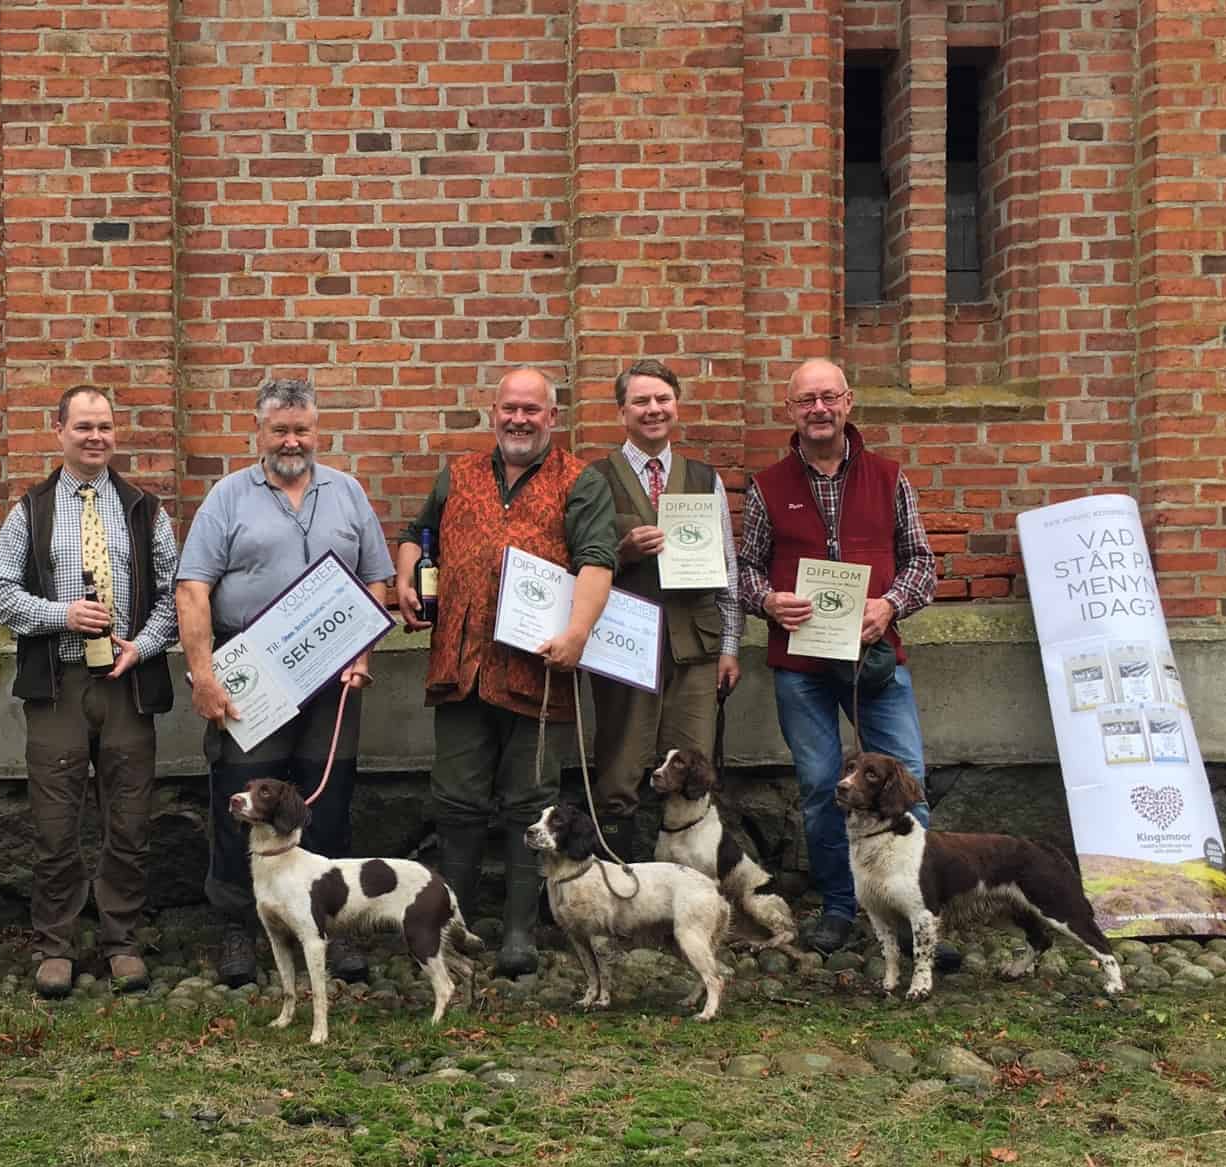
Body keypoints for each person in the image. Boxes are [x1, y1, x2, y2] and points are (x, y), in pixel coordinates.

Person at [393, 367, 617, 976]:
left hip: (537, 670)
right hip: (460, 669)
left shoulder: (582, 482)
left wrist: (577, 633)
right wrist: (407, 573)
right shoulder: (458, 473)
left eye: (532, 410)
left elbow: (599, 562)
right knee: (456, 803)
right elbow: (418, 533)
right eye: (510, 409)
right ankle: (454, 926)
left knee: (531, 804)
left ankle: (519, 931)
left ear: (552, 416)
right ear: (493, 411)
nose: (519, 420)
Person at [178, 377, 394, 988]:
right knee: (241, 804)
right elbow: (193, 589)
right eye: (280, 430)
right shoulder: (227, 498)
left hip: (332, 681)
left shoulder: (348, 493)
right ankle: (238, 930)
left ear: (317, 432)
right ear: (260, 432)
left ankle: (333, 924)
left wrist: (363, 653)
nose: (292, 440)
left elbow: (376, 580)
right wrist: (202, 674)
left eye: (302, 429)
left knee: (327, 803)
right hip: (250, 678)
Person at [735, 359, 951, 963]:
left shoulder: (889, 477)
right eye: (806, 401)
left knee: (907, 779)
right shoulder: (767, 486)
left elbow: (921, 564)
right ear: (790, 410)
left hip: (875, 660)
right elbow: (743, 570)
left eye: (829, 397)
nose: (819, 410)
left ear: (849, 402)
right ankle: (838, 905)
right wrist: (767, 601)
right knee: (819, 787)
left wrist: (889, 606)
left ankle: (918, 910)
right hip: (799, 666)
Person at [0, 385, 179, 997]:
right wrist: (60, 615)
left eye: (106, 428)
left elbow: (177, 594)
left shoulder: (146, 509)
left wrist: (141, 647)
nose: (96, 438)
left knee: (129, 817)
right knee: (55, 820)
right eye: (83, 427)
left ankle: (121, 939)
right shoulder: (31, 511)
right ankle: (56, 945)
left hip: (127, 683)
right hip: (59, 684)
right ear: (59, 431)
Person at [586, 359, 742, 858]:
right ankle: (622, 883)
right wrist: (623, 551)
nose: (653, 410)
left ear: (676, 406)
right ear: (622, 412)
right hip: (623, 646)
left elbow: (728, 568)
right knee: (620, 768)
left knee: (692, 769)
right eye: (641, 402)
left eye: (662, 400)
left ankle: (689, 891)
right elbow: (576, 561)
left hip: (695, 646)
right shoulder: (595, 478)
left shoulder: (703, 478)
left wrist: (731, 647)